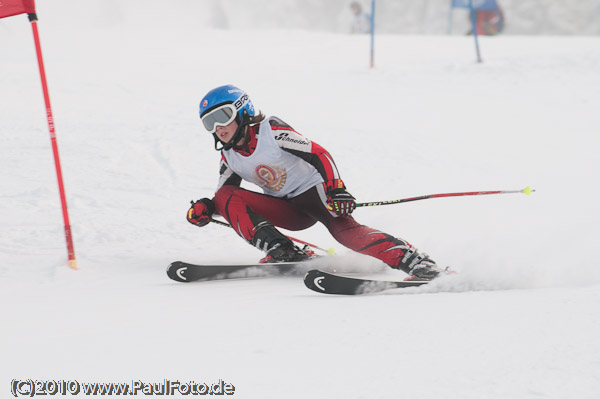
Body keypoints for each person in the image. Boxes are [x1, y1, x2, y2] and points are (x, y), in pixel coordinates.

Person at [187, 85, 444, 281]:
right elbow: (224, 196)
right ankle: (282, 250)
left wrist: (337, 189)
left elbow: (319, 153)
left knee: (344, 233)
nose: (218, 127)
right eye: (209, 122)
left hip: (316, 195)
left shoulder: (271, 131)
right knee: (226, 196)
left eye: (223, 116)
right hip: (288, 210)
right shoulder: (229, 155)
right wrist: (206, 208)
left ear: (243, 109)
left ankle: (415, 261)